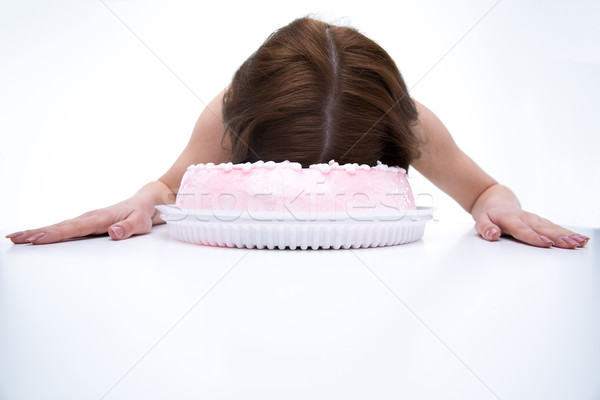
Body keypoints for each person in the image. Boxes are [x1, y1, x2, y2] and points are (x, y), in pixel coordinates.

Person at [5, 17, 589, 249]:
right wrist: (137, 203)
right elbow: (167, 189)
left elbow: (484, 192)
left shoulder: (409, 122)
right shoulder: (229, 115)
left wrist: (503, 207)